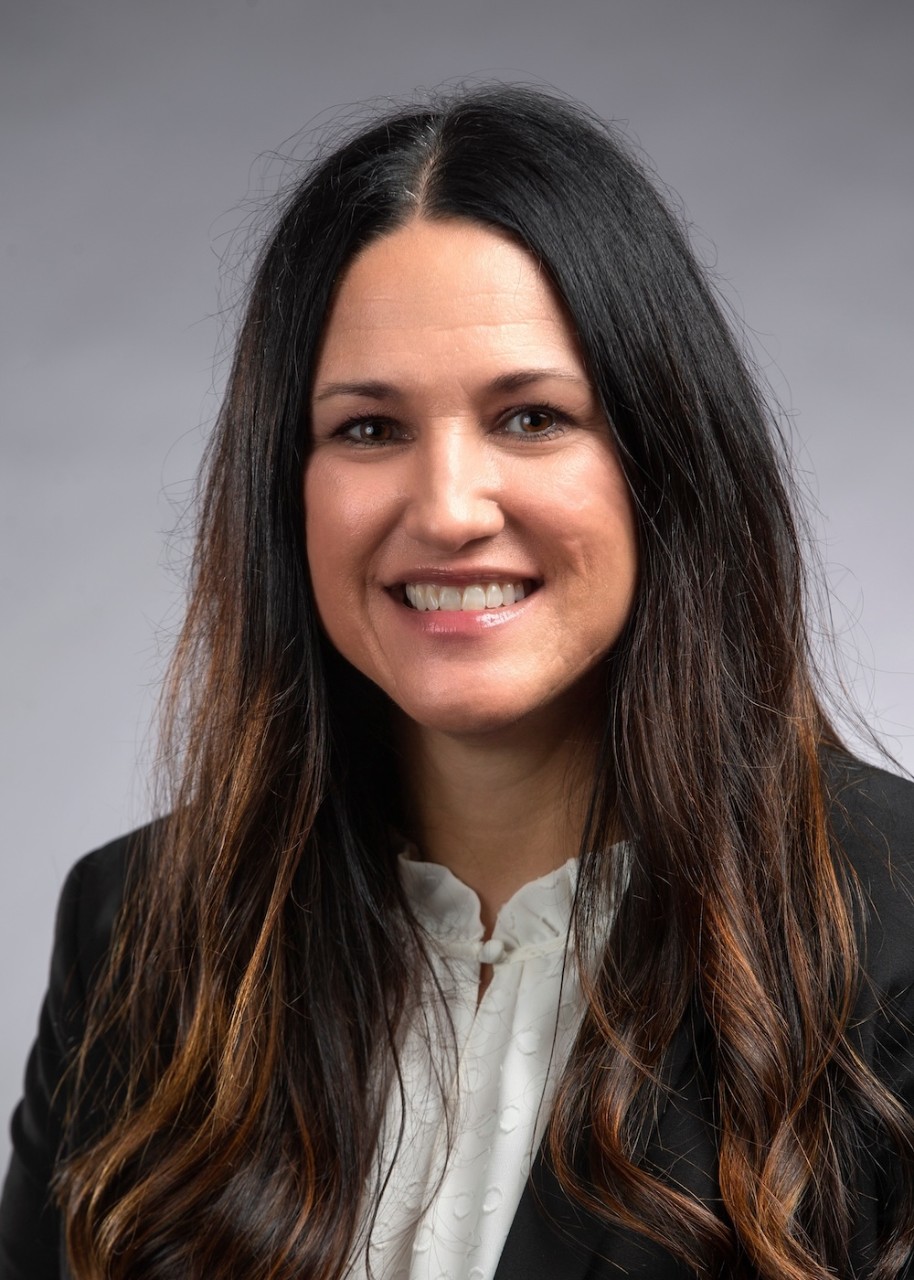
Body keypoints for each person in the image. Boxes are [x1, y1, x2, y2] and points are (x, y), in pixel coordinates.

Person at [2, 84, 913, 1280]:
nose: (444, 509)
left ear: (663, 460)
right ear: (291, 488)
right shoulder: (137, 927)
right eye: (368, 430)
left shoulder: (891, 924)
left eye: (531, 416)